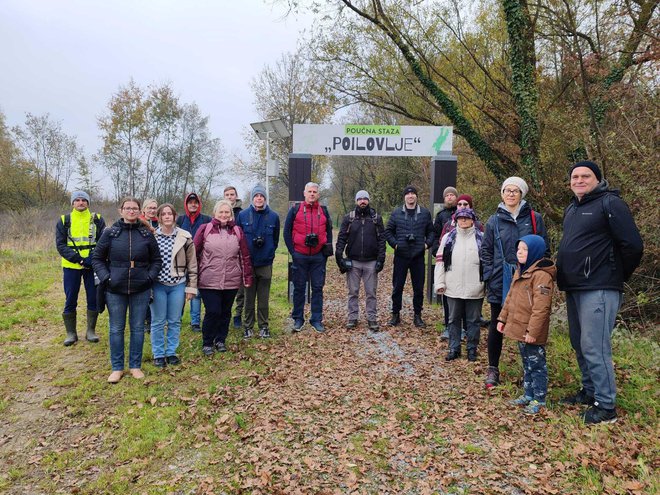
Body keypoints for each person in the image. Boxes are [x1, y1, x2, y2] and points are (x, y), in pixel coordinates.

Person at [556, 161, 643, 425]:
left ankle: (606, 406)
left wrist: (613, 275)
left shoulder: (610, 203)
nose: (579, 180)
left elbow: (633, 246)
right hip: (574, 286)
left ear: (597, 179)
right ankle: (590, 391)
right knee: (579, 342)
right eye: (575, 176)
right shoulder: (572, 208)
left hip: (599, 287)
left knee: (595, 346)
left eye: (586, 176)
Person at [481, 177, 549, 389]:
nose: (511, 194)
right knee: (496, 322)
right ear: (501, 194)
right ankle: (493, 368)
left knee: (529, 323)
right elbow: (486, 250)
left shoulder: (534, 218)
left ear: (522, 194)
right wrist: (490, 274)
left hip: (529, 278)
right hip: (500, 277)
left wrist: (539, 274)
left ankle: (530, 370)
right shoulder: (494, 220)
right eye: (507, 190)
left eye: (515, 191)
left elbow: (543, 248)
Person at [92, 197, 162, 383]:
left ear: (139, 211)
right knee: (116, 328)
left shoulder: (146, 234)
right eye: (127, 208)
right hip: (115, 288)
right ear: (120, 210)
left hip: (141, 288)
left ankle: (135, 366)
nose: (131, 211)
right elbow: (97, 258)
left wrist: (149, 277)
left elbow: (156, 261)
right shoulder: (110, 233)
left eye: (134, 208)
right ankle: (117, 368)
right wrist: (107, 277)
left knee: (138, 328)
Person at [497, 235, 556, 415]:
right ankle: (528, 394)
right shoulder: (521, 271)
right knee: (527, 363)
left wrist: (533, 331)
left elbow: (541, 308)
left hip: (531, 331)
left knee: (537, 365)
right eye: (518, 249)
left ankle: (539, 398)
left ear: (535, 252)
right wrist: (502, 319)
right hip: (519, 327)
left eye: (524, 249)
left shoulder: (541, 276)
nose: (519, 252)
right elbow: (510, 298)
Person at [194, 200, 253, 355]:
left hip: (231, 280)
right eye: (221, 212)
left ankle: (220, 340)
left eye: (227, 212)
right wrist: (192, 277)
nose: (224, 215)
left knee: (225, 312)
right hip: (208, 279)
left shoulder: (237, 231)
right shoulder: (204, 229)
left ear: (231, 214)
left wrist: (247, 277)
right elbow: (194, 253)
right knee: (213, 311)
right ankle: (207, 342)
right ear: (215, 213)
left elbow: (244, 255)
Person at [149, 203, 198, 367]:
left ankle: (171, 351)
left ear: (175, 216)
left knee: (175, 320)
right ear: (159, 217)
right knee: (157, 321)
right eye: (164, 214)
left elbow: (192, 264)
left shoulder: (185, 237)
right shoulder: (152, 236)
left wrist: (191, 287)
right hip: (158, 284)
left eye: (170, 213)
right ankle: (158, 353)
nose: (167, 216)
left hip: (178, 284)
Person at [55, 190, 106, 346]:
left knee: (93, 297)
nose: (80, 202)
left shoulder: (97, 219)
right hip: (71, 266)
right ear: (72, 203)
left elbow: (103, 242)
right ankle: (71, 333)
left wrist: (91, 260)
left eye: (83, 200)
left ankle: (91, 331)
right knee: (70, 298)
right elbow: (61, 245)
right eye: (76, 200)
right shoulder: (64, 220)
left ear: (88, 202)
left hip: (93, 266)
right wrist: (79, 260)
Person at [434, 208, 485, 361]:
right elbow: (440, 262)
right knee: (453, 319)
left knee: (473, 321)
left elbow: (488, 262)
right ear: (456, 220)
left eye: (467, 218)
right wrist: (439, 283)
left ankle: (471, 349)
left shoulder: (481, 238)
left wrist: (487, 284)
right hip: (452, 286)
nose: (463, 220)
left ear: (472, 220)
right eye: (460, 218)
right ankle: (454, 348)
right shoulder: (448, 238)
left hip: (475, 287)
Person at [284, 182, 333, 333]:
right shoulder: (295, 210)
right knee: (299, 288)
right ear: (304, 193)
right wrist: (293, 253)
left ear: (318, 194)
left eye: (314, 192)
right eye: (309, 191)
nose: (312, 194)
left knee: (317, 288)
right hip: (300, 255)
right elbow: (286, 232)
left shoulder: (323, 211)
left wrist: (324, 254)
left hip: (318, 257)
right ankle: (298, 319)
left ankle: (316, 319)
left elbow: (329, 232)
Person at [335, 190, 386, 331]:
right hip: (353, 261)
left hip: (371, 261)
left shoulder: (376, 218)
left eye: (365, 198)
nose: (362, 201)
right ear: (356, 201)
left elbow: (382, 239)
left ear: (368, 200)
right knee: (353, 292)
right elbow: (341, 239)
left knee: (371, 292)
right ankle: (352, 317)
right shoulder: (349, 218)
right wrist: (339, 256)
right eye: (360, 199)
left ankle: (372, 318)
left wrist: (381, 259)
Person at [384, 185, 434, 328]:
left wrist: (426, 245)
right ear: (404, 197)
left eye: (413, 194)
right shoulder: (396, 213)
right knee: (397, 287)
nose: (411, 196)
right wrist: (396, 245)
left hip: (418, 256)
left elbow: (431, 232)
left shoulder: (424, 213)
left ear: (416, 196)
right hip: (401, 256)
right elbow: (388, 232)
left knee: (418, 288)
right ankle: (395, 314)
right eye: (408, 194)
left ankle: (417, 316)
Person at [237, 185, 280, 339]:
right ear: (252, 198)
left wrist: (269, 253)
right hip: (248, 264)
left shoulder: (273, 216)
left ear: (265, 198)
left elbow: (275, 240)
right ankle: (248, 327)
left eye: (262, 196)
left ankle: (264, 326)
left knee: (263, 298)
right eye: (256, 196)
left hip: (265, 263)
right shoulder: (242, 216)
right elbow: (238, 238)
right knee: (248, 297)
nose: (259, 198)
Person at [176, 192, 211, 332]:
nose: (193, 204)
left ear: (199, 204)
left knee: (195, 292)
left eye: (195, 202)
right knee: (178, 291)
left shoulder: (206, 219)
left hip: (199, 260)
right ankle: (176, 319)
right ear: (186, 204)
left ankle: (195, 322)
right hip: (181, 260)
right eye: (190, 202)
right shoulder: (180, 220)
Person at [224, 186, 246, 330]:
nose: (230, 197)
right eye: (227, 195)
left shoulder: (242, 214)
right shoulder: (220, 212)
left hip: (239, 253)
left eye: (232, 194)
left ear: (236, 196)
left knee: (241, 288)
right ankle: (223, 314)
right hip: (223, 255)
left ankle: (238, 314)